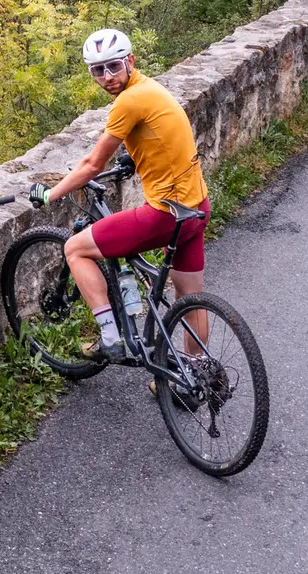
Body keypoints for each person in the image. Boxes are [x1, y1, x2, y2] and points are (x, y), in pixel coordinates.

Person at [27, 28, 210, 360]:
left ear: (130, 61)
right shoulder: (150, 89)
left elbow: (93, 164)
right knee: (189, 298)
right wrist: (133, 157)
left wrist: (51, 193)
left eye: (113, 66)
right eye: (98, 70)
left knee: (75, 248)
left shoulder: (128, 100)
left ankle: (111, 337)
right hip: (196, 207)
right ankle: (196, 375)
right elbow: (156, 136)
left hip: (166, 216)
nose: (107, 77)